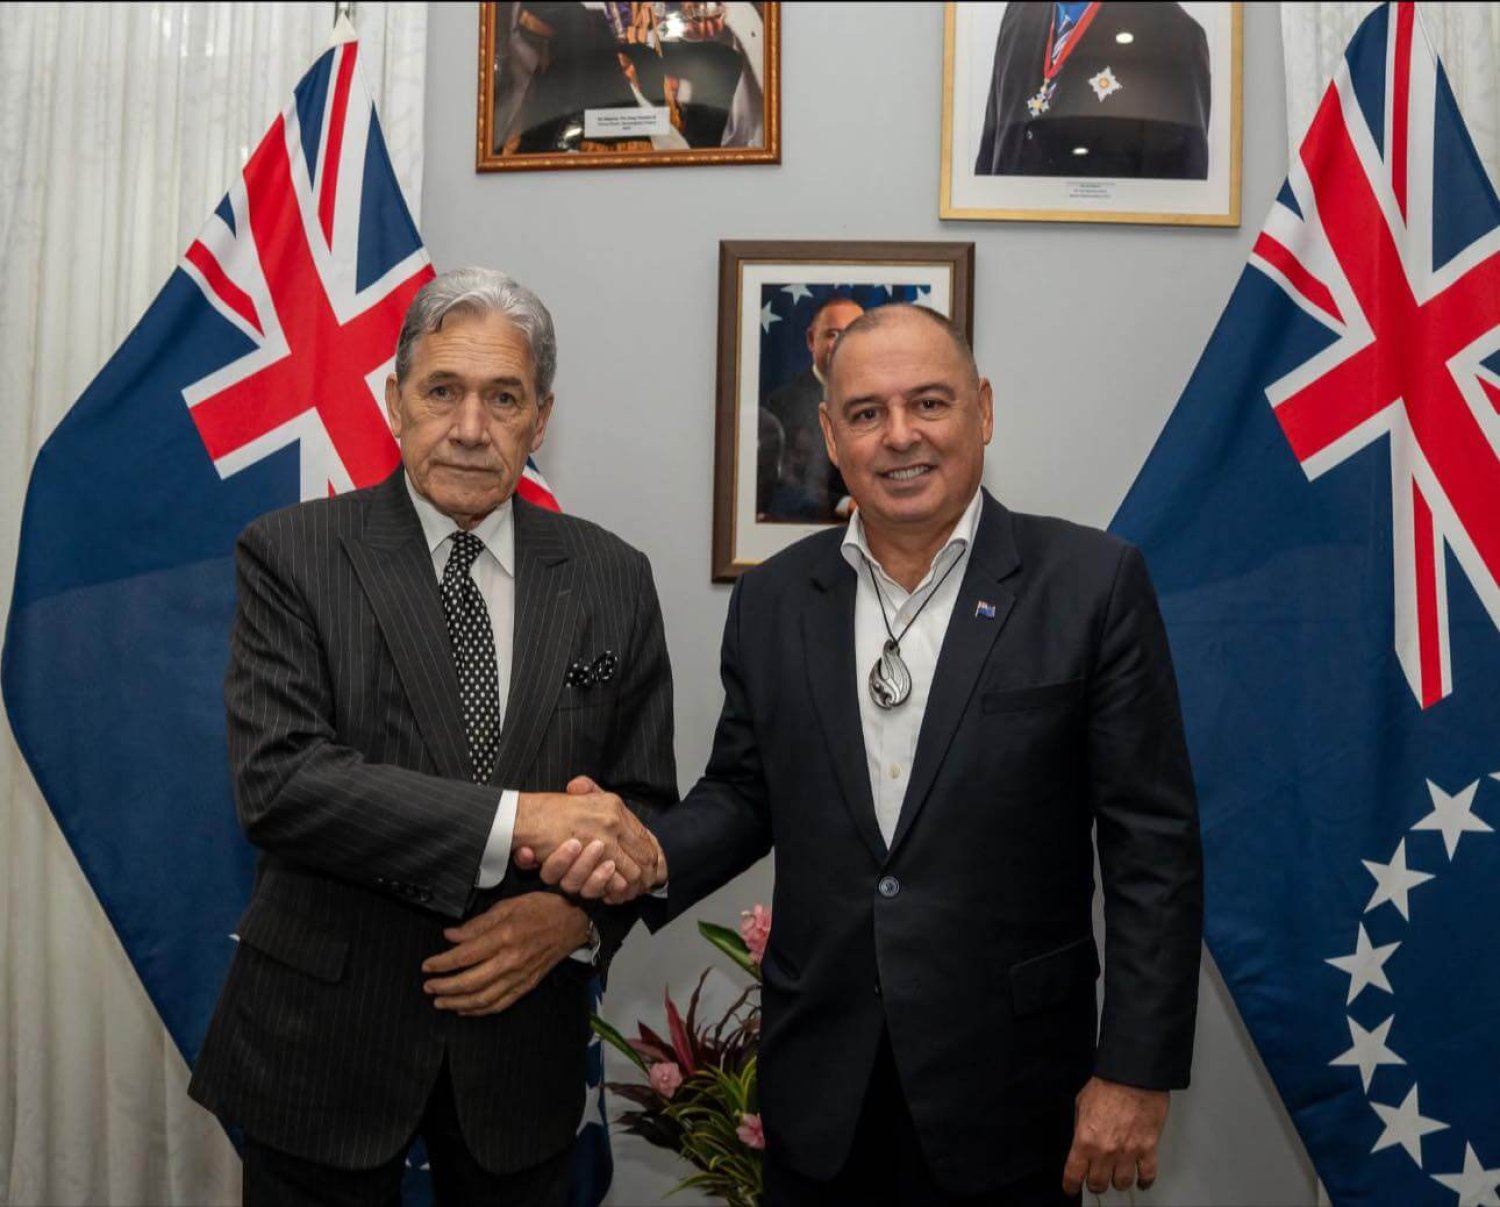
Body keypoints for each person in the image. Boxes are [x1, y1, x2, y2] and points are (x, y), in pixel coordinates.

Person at [535, 304, 1203, 1205]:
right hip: (823, 1087)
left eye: (929, 402)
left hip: (1012, 1088)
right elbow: (745, 791)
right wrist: (650, 853)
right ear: (829, 434)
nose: (900, 435)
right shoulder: (776, 598)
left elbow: (1152, 847)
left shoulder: (1091, 583)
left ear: (983, 410)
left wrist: (1135, 1068)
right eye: (866, 412)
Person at [188, 267, 674, 1206]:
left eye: (504, 398)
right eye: (442, 390)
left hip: (522, 1053)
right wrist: (523, 820)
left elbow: (644, 805)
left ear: (541, 419)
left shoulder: (613, 576)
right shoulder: (292, 552)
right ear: (394, 401)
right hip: (323, 1039)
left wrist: (576, 922)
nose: (469, 427)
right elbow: (282, 784)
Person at [974, 1, 1211, 180]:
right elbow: (989, 158)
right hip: (1011, 230)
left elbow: (1175, 204)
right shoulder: (1018, 12)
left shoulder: (1176, 37)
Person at [763, 294, 864, 522]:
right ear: (811, 340)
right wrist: (844, 504)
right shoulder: (783, 403)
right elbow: (787, 484)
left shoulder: (882, 395)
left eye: (852, 334)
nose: (843, 344)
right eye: (833, 334)